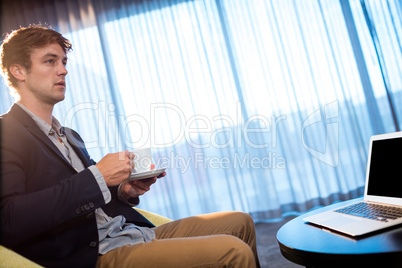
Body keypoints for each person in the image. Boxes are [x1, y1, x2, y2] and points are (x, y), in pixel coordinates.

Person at [0, 25, 261, 268]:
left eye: (64, 61)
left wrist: (124, 190)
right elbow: (10, 219)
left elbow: (89, 200)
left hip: (127, 232)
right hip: (93, 253)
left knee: (241, 222)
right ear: (18, 71)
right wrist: (98, 176)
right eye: (50, 61)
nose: (64, 70)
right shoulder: (6, 133)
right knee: (233, 250)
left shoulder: (69, 135)